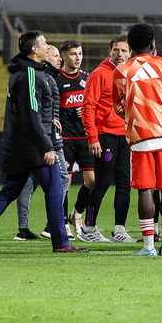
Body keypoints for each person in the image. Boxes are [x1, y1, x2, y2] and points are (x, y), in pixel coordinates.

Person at [0, 31, 88, 254]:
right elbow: (32, 115)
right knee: (54, 188)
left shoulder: (30, 72)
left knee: (10, 190)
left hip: (22, 144)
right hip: (33, 146)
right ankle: (61, 242)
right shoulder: (29, 74)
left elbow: (37, 109)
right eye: (43, 44)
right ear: (34, 50)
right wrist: (47, 146)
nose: (46, 46)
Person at [113, 23, 162, 256]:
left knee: (145, 190)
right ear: (153, 44)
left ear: (130, 47)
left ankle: (148, 247)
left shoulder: (122, 70)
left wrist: (136, 116)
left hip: (140, 136)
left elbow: (119, 106)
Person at [79, 36, 134, 243]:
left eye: (124, 51)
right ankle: (88, 227)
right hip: (106, 137)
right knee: (101, 183)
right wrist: (93, 138)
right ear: (110, 51)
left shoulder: (130, 73)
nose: (120, 54)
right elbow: (88, 107)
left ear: (130, 53)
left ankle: (119, 230)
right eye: (116, 50)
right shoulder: (99, 74)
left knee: (124, 185)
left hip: (126, 138)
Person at [14, 44, 70, 241]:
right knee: (61, 178)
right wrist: (49, 126)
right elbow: (34, 109)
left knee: (26, 182)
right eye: (54, 55)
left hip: (51, 134)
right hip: (49, 137)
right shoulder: (38, 76)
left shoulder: (48, 76)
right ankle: (56, 224)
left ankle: (25, 227)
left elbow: (49, 106)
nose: (58, 59)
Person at [56, 39, 96, 239]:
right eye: (73, 54)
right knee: (66, 182)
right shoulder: (56, 79)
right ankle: (63, 223)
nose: (78, 57)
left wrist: (88, 110)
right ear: (63, 56)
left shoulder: (87, 78)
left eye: (80, 53)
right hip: (66, 139)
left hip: (86, 137)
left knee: (92, 181)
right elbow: (53, 107)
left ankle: (76, 212)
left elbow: (96, 104)